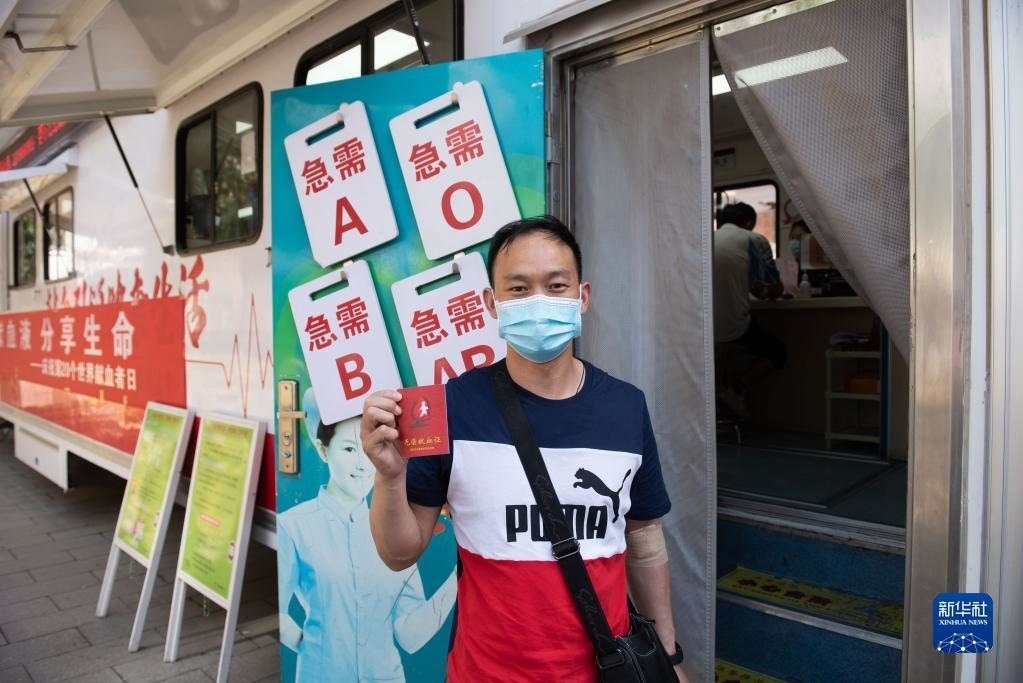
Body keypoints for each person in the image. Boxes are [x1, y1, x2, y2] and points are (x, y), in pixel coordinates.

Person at [361, 215, 689, 682]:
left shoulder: (626, 407)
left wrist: (668, 656)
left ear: (583, 296)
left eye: (556, 286)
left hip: (607, 671)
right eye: (518, 289)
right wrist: (389, 477)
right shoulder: (450, 408)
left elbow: (644, 539)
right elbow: (398, 554)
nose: (538, 301)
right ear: (491, 303)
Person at [277, 409, 457, 682]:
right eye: (350, 449)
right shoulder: (294, 526)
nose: (363, 463)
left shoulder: (394, 528)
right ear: (323, 450)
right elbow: (280, 611)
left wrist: (457, 581)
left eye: (371, 448)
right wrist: (312, 646)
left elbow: (409, 635)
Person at [712, 202, 787, 417]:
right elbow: (774, 289)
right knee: (777, 352)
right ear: (748, 223)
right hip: (733, 328)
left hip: (700, 329)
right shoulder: (754, 240)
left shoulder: (706, 239)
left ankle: (717, 391)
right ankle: (734, 388)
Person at [778, 219, 810, 299]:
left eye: (799, 237)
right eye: (792, 238)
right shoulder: (781, 265)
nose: (795, 242)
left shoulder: (819, 266)